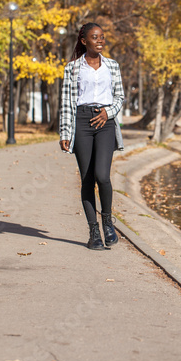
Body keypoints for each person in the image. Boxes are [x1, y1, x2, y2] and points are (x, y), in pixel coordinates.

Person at [59, 23, 124, 250]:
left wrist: (108, 112)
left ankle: (107, 222)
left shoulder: (112, 66)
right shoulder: (72, 68)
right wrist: (65, 133)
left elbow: (119, 97)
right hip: (82, 121)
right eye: (95, 37)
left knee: (102, 176)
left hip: (105, 121)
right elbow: (67, 103)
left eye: (102, 37)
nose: (100, 41)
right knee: (87, 178)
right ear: (84, 40)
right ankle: (93, 232)